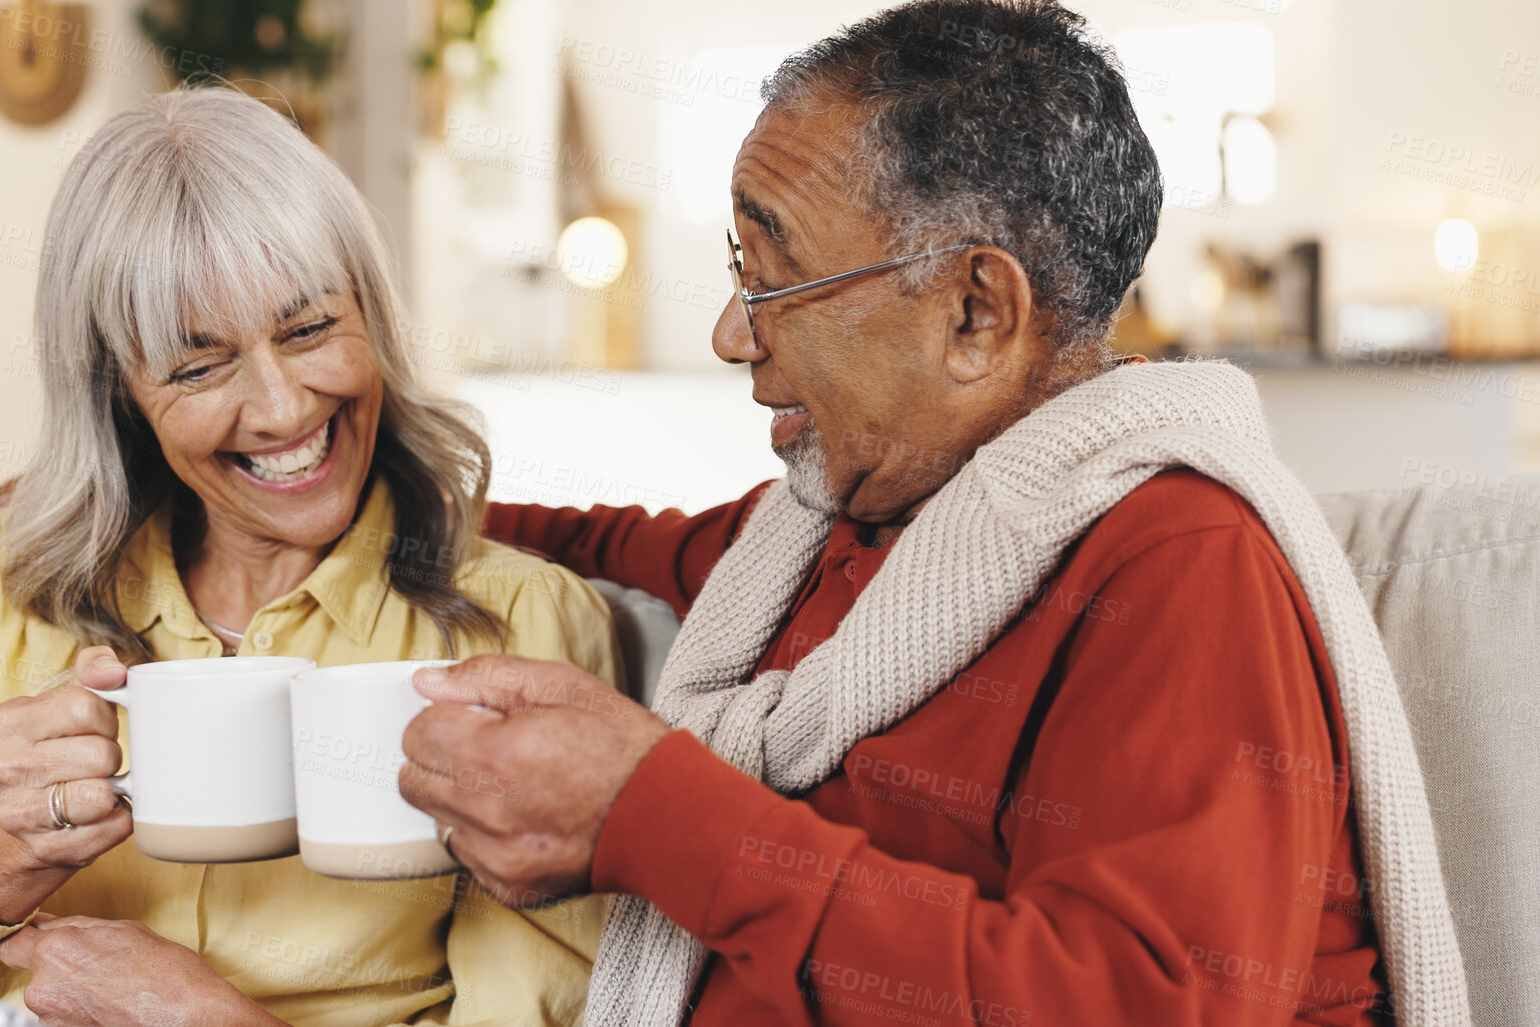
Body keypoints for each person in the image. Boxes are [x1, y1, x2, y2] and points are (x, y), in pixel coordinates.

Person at [396, 3, 1469, 1026]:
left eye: (775, 281)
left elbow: (1137, 1003)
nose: (733, 332)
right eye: (740, 270)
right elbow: (606, 545)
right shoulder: (825, 532)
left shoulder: (1180, 563)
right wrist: (365, 494)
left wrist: (649, 814)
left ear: (974, 312)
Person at [0, 84, 617, 1027]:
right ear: (120, 393)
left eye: (308, 330)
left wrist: (199, 1017)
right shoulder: (0, 578)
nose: (283, 409)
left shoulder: (517, 625)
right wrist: (3, 856)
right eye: (197, 367)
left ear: (371, 317)